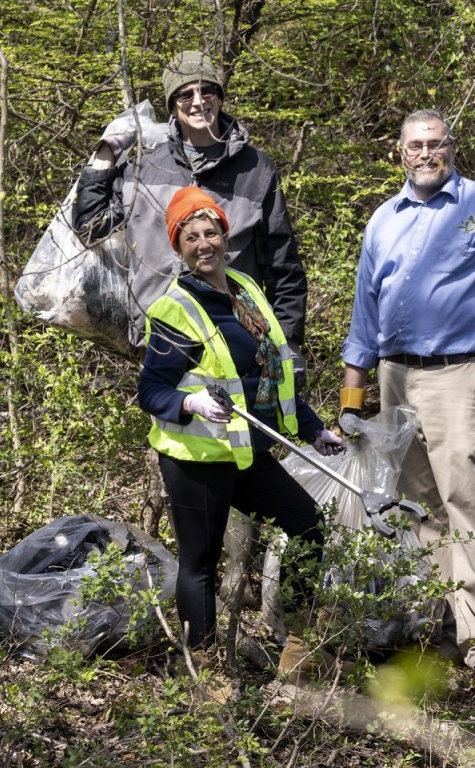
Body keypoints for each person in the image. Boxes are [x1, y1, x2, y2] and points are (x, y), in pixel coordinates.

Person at [340, 109, 475, 691]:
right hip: (396, 377)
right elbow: (364, 317)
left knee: (466, 504)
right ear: (399, 152)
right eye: (416, 145)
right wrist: (354, 397)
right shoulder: (382, 220)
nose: (426, 153)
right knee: (419, 511)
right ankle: (447, 626)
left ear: (451, 147)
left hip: (462, 375)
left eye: (436, 144)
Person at [138, 186, 344, 691]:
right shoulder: (174, 308)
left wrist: (315, 429)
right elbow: (151, 388)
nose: (203, 243)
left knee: (307, 527)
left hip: (246, 450)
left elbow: (269, 376)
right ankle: (205, 674)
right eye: (191, 237)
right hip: (197, 458)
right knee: (200, 563)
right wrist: (189, 403)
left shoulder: (246, 289)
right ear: (178, 248)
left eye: (211, 233)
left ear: (225, 236)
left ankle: (297, 649)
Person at [73, 50, 307, 372]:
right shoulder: (145, 168)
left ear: (219, 97)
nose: (198, 101)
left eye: (206, 90)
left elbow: (283, 268)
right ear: (173, 104)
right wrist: (106, 153)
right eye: (185, 94)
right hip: (160, 347)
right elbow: (89, 226)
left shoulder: (255, 170)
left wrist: (289, 344)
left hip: (236, 347)